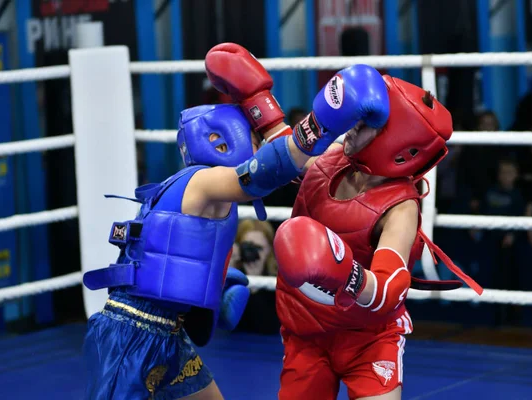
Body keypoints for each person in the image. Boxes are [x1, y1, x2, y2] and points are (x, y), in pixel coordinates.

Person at [81, 42, 391, 400]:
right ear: (223, 142)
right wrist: (321, 123)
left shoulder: (210, 197)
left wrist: (212, 285)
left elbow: (173, 254)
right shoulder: (203, 181)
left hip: (168, 333)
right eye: (256, 140)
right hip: (131, 334)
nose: (260, 147)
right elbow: (263, 173)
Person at [273, 75, 484, 400]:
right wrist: (257, 101)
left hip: (368, 338)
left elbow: (388, 289)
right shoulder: (332, 159)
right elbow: (280, 156)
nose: (355, 125)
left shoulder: (400, 207)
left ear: (398, 138)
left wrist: (343, 271)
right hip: (308, 330)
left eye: (369, 122)